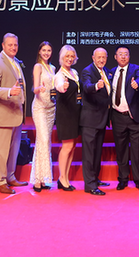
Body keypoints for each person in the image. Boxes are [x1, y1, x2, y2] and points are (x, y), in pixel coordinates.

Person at [0, 33, 28, 194]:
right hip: (4, 113)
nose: (13, 47)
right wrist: (9, 91)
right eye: (10, 45)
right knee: (2, 151)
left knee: (13, 150)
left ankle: (10, 176)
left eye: (15, 45)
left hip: (16, 113)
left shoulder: (15, 61)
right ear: (3, 45)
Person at [110, 46, 139, 192]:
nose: (123, 56)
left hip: (134, 116)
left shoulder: (137, 69)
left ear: (129, 56)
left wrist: (137, 83)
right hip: (117, 116)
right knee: (121, 150)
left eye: (126, 54)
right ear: (115, 57)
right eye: (120, 54)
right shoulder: (111, 72)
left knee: (137, 151)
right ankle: (123, 179)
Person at [80, 47, 112, 196]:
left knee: (97, 152)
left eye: (103, 57)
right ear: (93, 58)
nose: (101, 60)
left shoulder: (106, 71)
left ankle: (95, 179)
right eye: (98, 57)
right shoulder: (87, 71)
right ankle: (90, 185)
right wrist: (96, 86)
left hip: (102, 118)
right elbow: (86, 87)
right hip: (90, 119)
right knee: (89, 154)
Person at [29, 41, 56, 192]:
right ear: (39, 51)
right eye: (44, 50)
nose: (46, 53)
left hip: (51, 108)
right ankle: (37, 179)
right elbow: (35, 88)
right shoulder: (37, 66)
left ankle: (43, 179)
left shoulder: (53, 68)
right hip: (39, 107)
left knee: (44, 142)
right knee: (43, 139)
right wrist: (39, 88)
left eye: (49, 50)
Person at [54, 45, 81, 191]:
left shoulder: (74, 72)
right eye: (67, 56)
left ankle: (66, 178)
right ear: (62, 57)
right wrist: (62, 87)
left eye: (72, 56)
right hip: (65, 114)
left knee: (73, 146)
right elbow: (59, 86)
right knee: (67, 146)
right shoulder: (60, 75)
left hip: (75, 113)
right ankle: (62, 178)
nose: (69, 59)